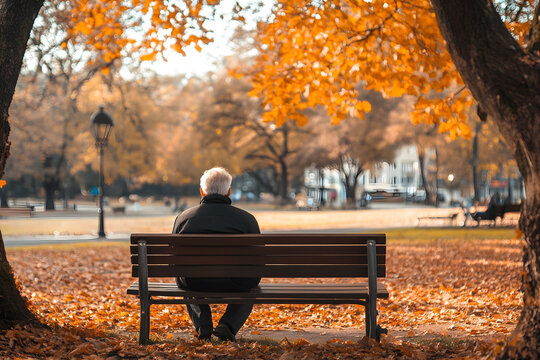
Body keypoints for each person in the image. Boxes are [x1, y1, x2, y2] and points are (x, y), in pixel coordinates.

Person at [172, 167, 261, 342]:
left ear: (201, 191)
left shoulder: (184, 218)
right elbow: (257, 260)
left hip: (195, 281)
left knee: (186, 280)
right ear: (228, 192)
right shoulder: (247, 220)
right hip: (237, 282)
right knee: (250, 286)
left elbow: (175, 259)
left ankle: (203, 325)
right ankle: (227, 326)